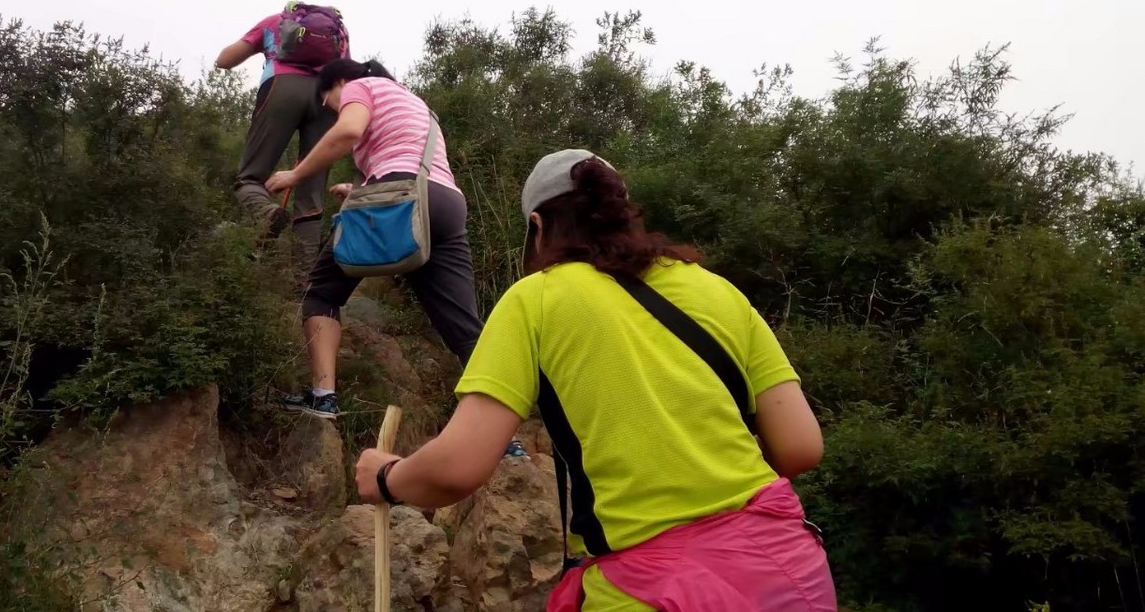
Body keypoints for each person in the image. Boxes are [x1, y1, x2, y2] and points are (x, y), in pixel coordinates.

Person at [349, 150, 836, 611]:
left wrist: (388, 477)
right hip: (786, 570)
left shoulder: (536, 299)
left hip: (654, 590)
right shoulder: (717, 290)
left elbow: (456, 468)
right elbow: (800, 447)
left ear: (537, 227)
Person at [265, 58, 528, 460]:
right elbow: (405, 161)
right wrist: (357, 189)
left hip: (402, 201)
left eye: (329, 102)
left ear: (337, 82)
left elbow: (350, 130)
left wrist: (295, 175)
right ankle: (504, 438)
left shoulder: (359, 86)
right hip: (444, 204)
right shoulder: (416, 103)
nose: (334, 109)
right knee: (464, 326)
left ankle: (322, 398)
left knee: (321, 294)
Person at [215, 3, 349, 275]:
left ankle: (267, 213)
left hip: (281, 86)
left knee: (250, 177)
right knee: (311, 193)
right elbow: (346, 75)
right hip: (327, 99)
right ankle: (304, 280)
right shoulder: (339, 33)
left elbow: (225, 60)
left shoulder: (273, 22)